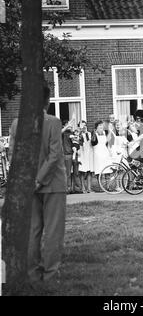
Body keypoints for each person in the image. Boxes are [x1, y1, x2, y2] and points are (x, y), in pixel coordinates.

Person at [9, 85, 67, 283]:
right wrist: (39, 179)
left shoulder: (17, 124)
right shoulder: (53, 122)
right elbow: (54, 155)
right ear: (47, 101)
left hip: (28, 185)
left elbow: (13, 156)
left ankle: (32, 274)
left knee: (33, 230)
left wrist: (27, 180)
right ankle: (50, 274)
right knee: (53, 231)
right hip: (53, 183)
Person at [78, 120, 94, 193]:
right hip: (82, 154)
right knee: (82, 171)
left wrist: (86, 133)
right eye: (82, 125)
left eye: (85, 125)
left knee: (89, 171)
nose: (84, 127)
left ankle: (89, 188)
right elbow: (80, 143)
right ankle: (83, 188)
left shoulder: (89, 133)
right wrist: (81, 132)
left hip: (88, 154)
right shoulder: (78, 134)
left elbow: (90, 142)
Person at [61, 120, 74, 193]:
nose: (70, 126)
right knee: (66, 173)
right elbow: (60, 132)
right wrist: (67, 126)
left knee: (70, 173)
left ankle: (70, 188)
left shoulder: (71, 133)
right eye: (68, 125)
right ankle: (66, 188)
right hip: (65, 154)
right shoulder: (63, 133)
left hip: (71, 154)